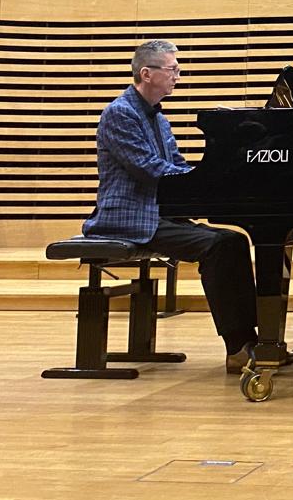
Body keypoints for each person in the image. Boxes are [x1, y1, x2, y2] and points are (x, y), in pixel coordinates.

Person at [84, 39, 258, 373]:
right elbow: (148, 168)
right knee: (218, 246)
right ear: (147, 74)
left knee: (234, 241)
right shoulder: (120, 113)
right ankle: (237, 347)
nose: (178, 76)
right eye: (173, 69)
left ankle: (249, 340)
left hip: (157, 213)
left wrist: (208, 178)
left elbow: (175, 164)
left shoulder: (158, 118)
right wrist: (203, 180)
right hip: (128, 217)